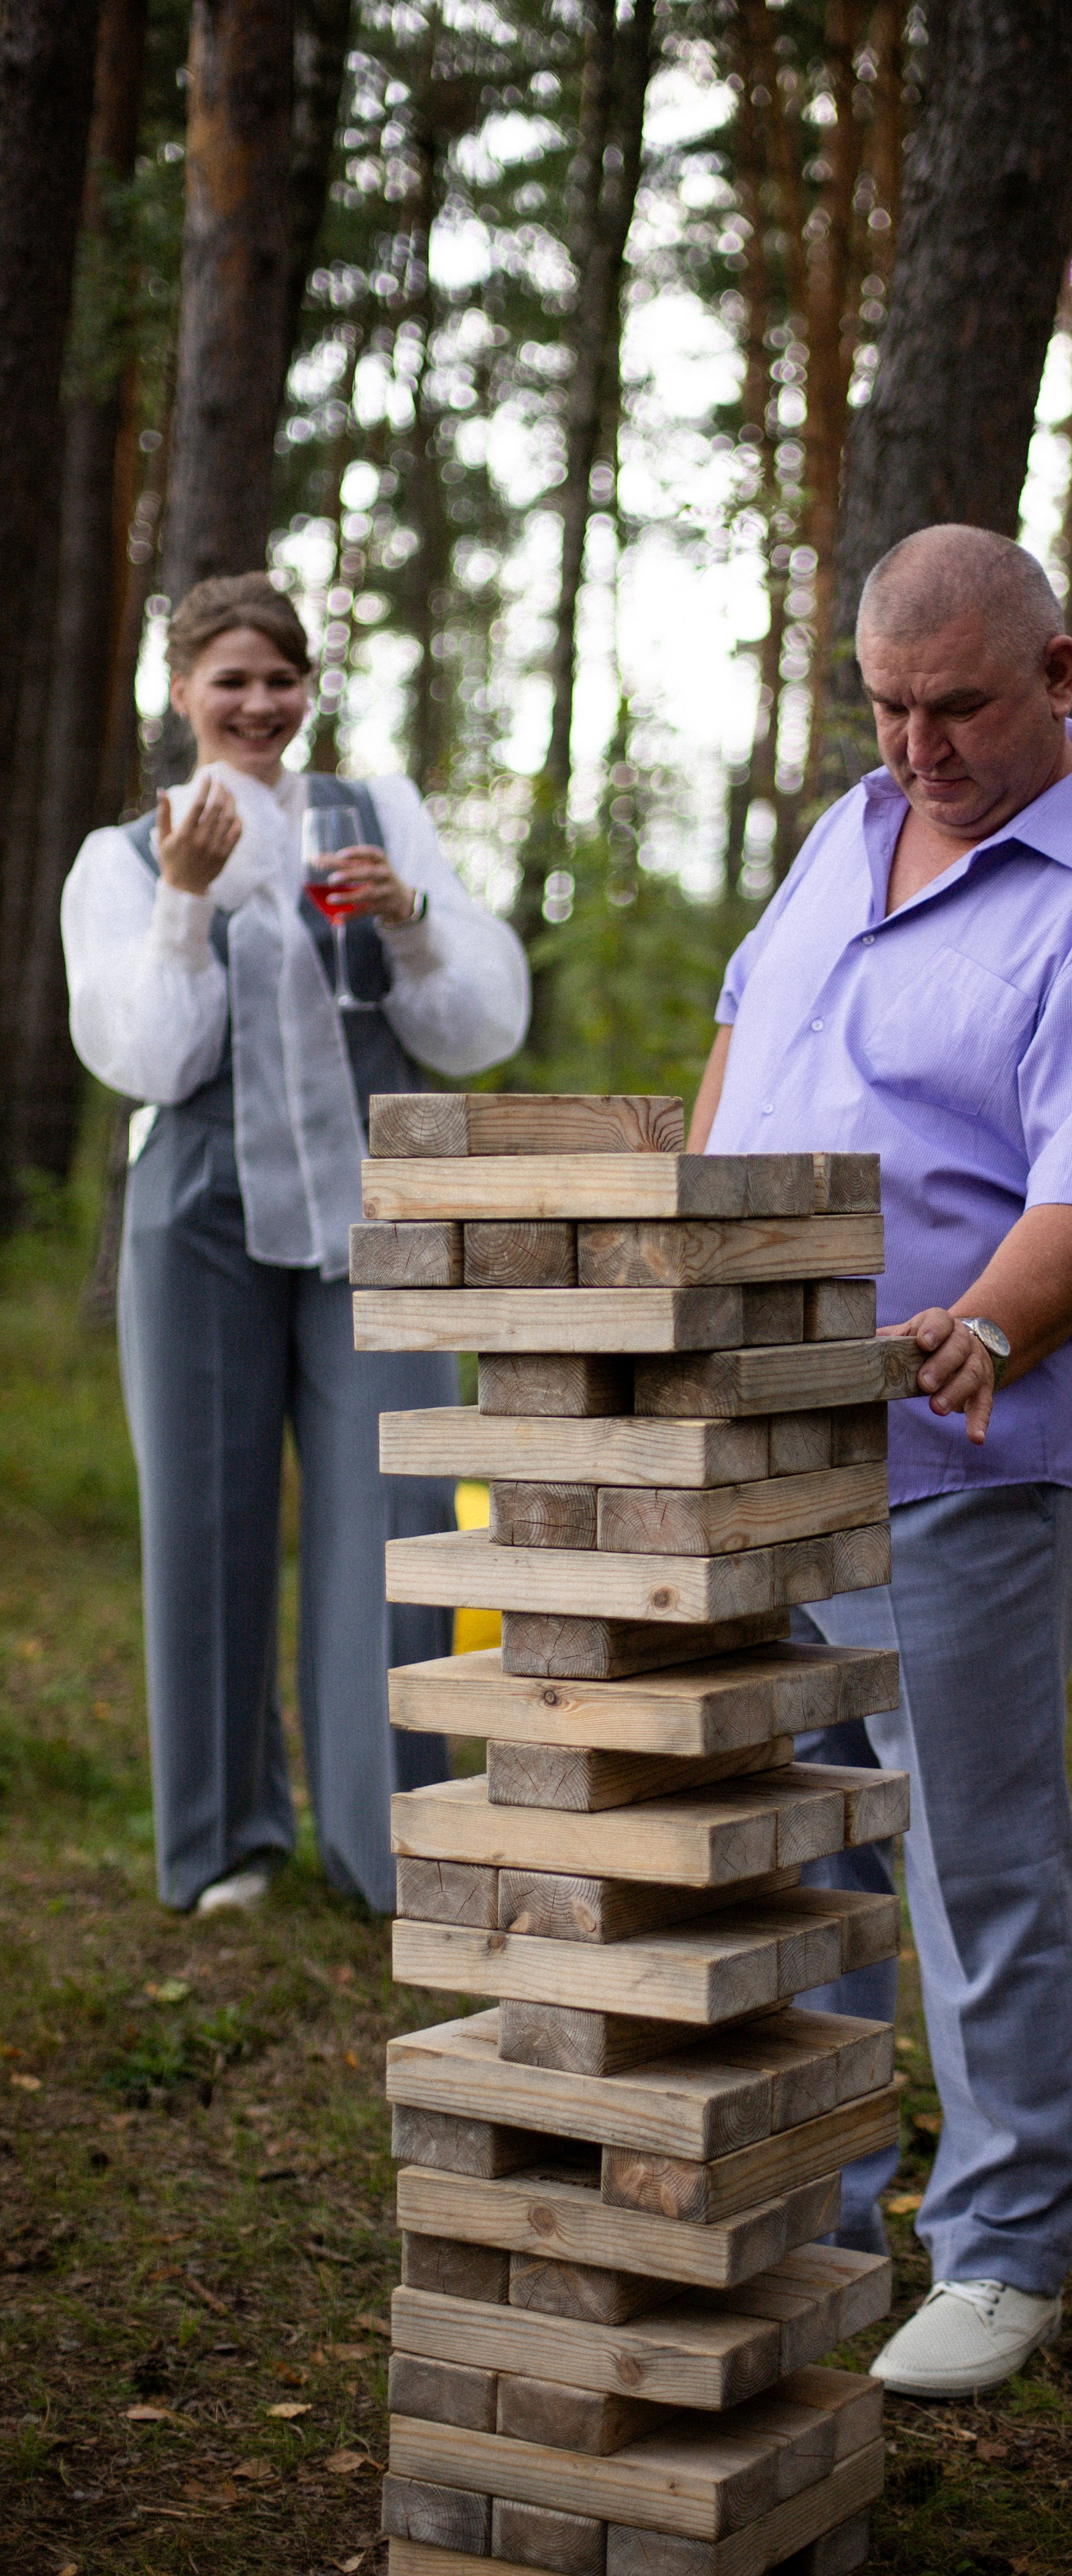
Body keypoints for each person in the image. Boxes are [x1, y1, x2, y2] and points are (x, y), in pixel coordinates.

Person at [688, 524, 1072, 2399]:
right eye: (887, 708)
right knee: (805, 1846)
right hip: (766, 1437)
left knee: (972, 1858)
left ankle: (1004, 2248)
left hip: (960, 1449)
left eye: (958, 709)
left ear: (1059, 675)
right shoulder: (843, 834)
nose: (917, 747)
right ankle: (822, 2210)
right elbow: (742, 1040)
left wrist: (986, 1325)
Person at [62, 573, 530, 1917]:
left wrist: (410, 918)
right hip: (198, 1210)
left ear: (309, 689)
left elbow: (478, 1029)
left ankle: (395, 1849)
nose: (260, 704)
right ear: (183, 694)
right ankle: (225, 1845)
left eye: (282, 679)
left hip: (374, 1210)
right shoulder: (120, 857)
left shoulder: (379, 816)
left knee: (395, 1512)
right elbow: (148, 1062)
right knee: (205, 1517)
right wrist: (183, 900)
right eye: (232, 680)